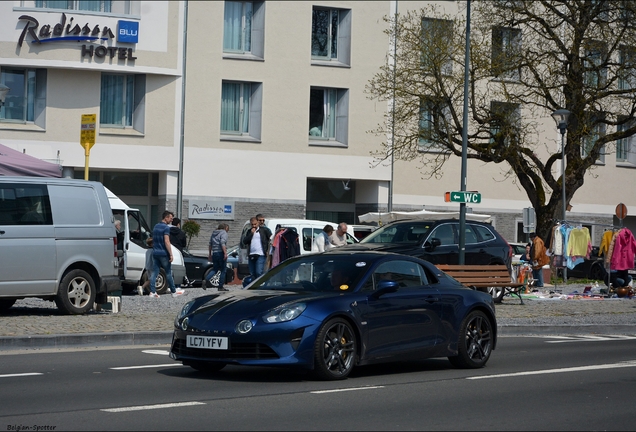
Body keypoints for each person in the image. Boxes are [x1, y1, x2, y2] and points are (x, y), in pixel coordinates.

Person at [149, 210, 185, 298]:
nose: (171, 220)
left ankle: (152, 291)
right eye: (170, 218)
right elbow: (167, 241)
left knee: (155, 272)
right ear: (166, 218)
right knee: (168, 272)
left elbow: (153, 239)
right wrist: (171, 254)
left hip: (155, 252)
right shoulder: (166, 228)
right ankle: (173, 291)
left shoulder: (156, 226)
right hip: (163, 253)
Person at [242, 215, 272, 282]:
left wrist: (268, 250)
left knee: (259, 272)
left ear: (258, 223)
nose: (254, 226)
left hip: (261, 254)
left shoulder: (264, 230)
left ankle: (261, 285)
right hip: (251, 254)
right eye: (252, 224)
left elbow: (270, 238)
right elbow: (245, 241)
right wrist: (251, 234)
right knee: (252, 272)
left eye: (255, 224)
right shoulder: (249, 231)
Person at [207, 223, 230, 291]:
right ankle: (220, 286)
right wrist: (225, 253)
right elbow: (222, 243)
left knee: (215, 269)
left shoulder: (213, 233)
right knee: (223, 270)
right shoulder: (224, 233)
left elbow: (210, 244)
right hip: (221, 253)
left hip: (214, 253)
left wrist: (209, 254)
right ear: (225, 228)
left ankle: (206, 279)